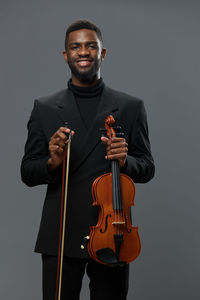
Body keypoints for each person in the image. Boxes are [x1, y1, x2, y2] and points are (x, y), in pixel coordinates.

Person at [21, 19, 155, 300]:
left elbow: (147, 168)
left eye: (91, 46)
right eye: (75, 47)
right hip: (61, 233)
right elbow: (28, 171)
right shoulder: (44, 108)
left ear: (102, 53)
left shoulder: (131, 107)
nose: (83, 52)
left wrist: (125, 160)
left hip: (113, 233)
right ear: (65, 55)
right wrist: (52, 161)